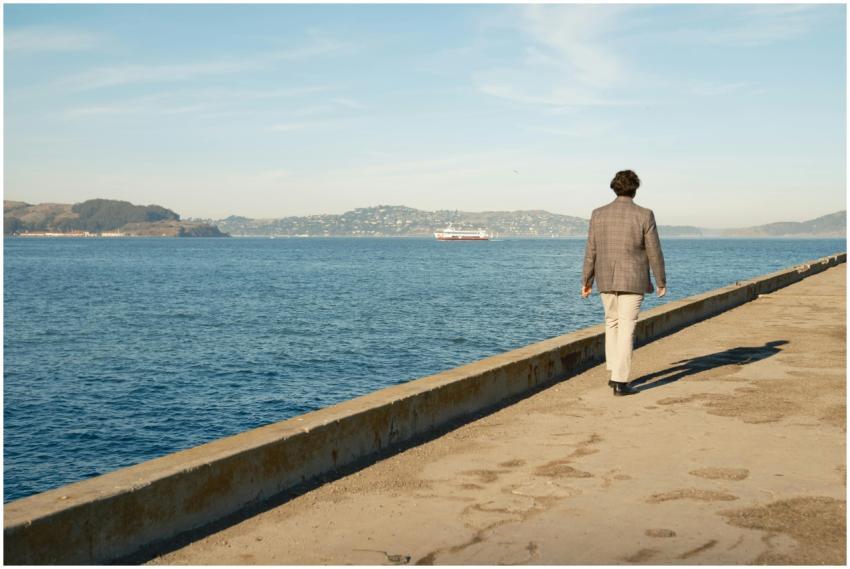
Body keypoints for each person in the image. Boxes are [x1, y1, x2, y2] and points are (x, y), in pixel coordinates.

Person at [581, 170, 667, 396]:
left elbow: (591, 250)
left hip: (605, 278)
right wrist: (660, 280)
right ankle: (620, 381)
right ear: (635, 188)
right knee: (627, 326)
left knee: (611, 323)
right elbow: (654, 251)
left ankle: (613, 372)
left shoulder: (598, 214)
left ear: (614, 187)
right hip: (634, 278)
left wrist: (587, 280)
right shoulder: (644, 214)